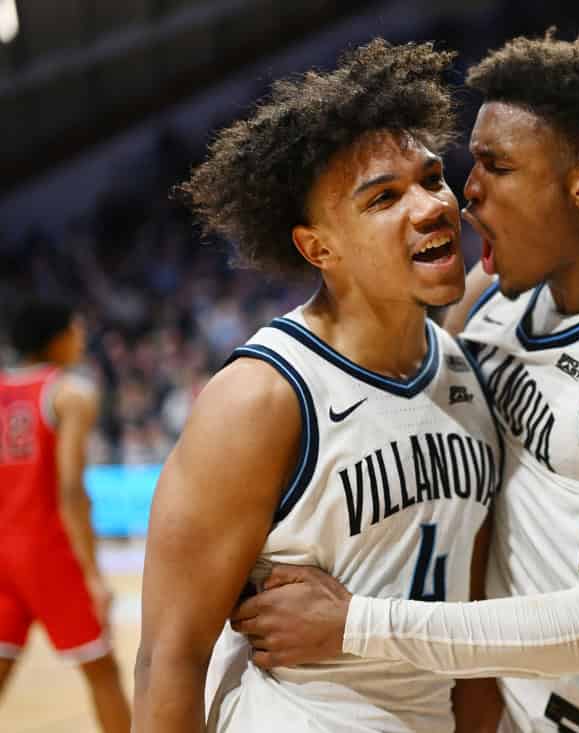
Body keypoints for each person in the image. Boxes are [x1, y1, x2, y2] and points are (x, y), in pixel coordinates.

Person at [231, 32, 579, 732]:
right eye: (472, 163)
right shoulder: (489, 298)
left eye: (497, 166)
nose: (467, 191)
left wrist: (351, 623)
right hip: (509, 704)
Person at [133, 40, 502, 732]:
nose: (430, 206)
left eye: (431, 179)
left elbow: (473, 632)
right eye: (384, 197)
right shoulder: (261, 397)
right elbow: (169, 657)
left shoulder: (464, 376)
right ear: (318, 247)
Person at [0, 298, 131, 733]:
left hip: (3, 551)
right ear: (54, 339)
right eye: (75, 330)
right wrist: (92, 574)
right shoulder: (71, 393)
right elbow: (71, 489)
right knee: (103, 671)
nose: (81, 338)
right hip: (47, 550)